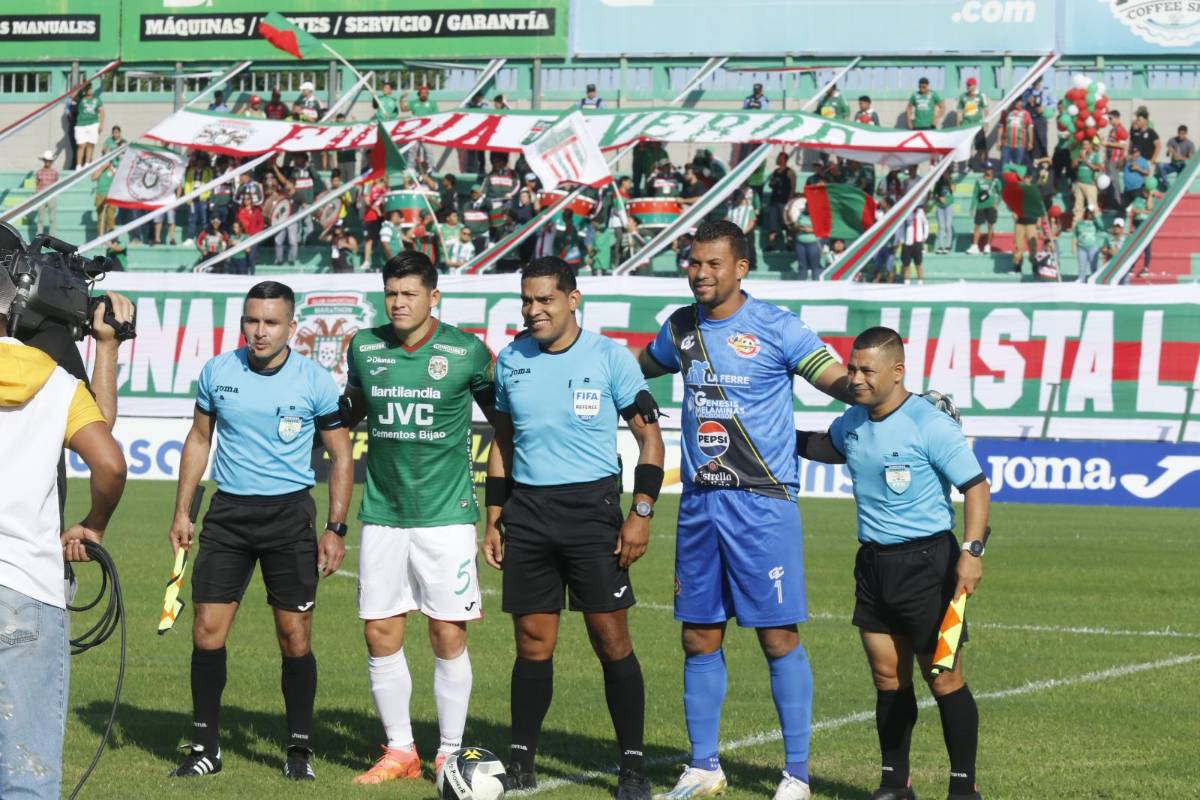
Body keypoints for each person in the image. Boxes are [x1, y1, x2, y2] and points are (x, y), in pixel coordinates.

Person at [638, 220, 853, 800]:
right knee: (698, 636)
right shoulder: (680, 327)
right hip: (701, 502)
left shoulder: (778, 328)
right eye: (693, 263)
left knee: (778, 637)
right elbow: (638, 369)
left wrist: (879, 395)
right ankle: (704, 766)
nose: (700, 274)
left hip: (762, 503)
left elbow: (838, 381)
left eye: (712, 264)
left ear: (741, 268)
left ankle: (797, 776)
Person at [484, 257, 664, 800]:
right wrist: (494, 518)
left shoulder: (611, 358)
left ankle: (632, 767)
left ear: (572, 299)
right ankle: (521, 762)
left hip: (592, 512)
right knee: (532, 643)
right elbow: (504, 443)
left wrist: (641, 512)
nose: (534, 310)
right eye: (527, 301)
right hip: (529, 514)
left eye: (545, 300)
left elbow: (649, 441)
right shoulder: (511, 359)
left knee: (610, 640)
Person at [167, 281, 353, 781]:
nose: (259, 331)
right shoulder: (218, 372)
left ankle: (298, 751)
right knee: (207, 631)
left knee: (294, 636)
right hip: (228, 514)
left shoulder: (313, 380)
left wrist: (335, 527)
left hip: (289, 518)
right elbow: (199, 438)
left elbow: (341, 455)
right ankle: (205, 746)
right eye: (252, 320)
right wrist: (182, 510)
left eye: (271, 322)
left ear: (292, 327)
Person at [796, 326, 990, 800]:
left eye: (866, 370)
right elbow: (830, 447)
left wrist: (972, 552)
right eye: (852, 368)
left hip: (929, 564)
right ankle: (894, 783)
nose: (855, 378)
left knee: (943, 678)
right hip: (874, 565)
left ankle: (964, 787)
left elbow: (976, 487)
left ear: (897, 372)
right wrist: (777, 432)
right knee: (887, 677)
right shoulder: (855, 418)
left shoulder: (928, 422)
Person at [336, 253, 497, 783]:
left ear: (434, 297)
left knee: (447, 632)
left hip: (446, 517)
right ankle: (400, 751)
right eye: (391, 293)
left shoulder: (467, 352)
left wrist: (500, 509)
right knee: (380, 630)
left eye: (409, 293)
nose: (399, 302)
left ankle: (449, 751)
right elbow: (348, 413)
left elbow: (507, 426)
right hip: (382, 514)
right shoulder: (364, 346)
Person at [0, 281, 129, 799]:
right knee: (27, 775)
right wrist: (93, 525)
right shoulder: (55, 382)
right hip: (27, 584)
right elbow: (110, 463)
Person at [966, 164, 1000, 255]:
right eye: (987, 169)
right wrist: (972, 207)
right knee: (977, 226)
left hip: (991, 206)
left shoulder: (996, 181)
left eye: (990, 169)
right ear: (984, 170)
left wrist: (997, 203)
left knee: (990, 226)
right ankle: (975, 246)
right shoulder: (979, 180)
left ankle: (988, 245)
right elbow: (975, 194)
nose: (988, 171)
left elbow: (1000, 193)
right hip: (980, 206)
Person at [765, 152, 796, 251]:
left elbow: (793, 188)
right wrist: (772, 183)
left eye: (779, 157)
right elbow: (770, 185)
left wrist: (789, 202)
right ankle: (771, 245)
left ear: (784, 159)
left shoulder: (790, 172)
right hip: (774, 201)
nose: (777, 159)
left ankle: (790, 244)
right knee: (772, 225)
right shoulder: (775, 172)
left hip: (784, 203)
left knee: (787, 225)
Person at [957, 78, 988, 172]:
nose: (968, 87)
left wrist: (986, 123)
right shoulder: (963, 96)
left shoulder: (981, 95)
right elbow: (959, 111)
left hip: (978, 124)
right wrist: (958, 125)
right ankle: (969, 166)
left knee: (981, 147)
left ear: (975, 85)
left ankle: (984, 166)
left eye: (970, 85)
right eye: (967, 85)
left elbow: (986, 109)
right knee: (967, 146)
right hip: (966, 125)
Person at [1071, 139, 1102, 225]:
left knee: (1093, 207)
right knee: (1078, 207)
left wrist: (1085, 160)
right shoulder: (1080, 154)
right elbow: (1073, 166)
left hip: (1090, 184)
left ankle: (1099, 225)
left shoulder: (1095, 155)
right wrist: (1078, 158)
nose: (1084, 147)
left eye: (1086, 145)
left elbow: (1097, 168)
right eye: (1083, 145)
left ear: (1090, 145)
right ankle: (1075, 226)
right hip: (1079, 183)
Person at [74, 83, 104, 168]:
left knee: (90, 144)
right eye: (87, 89)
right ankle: (79, 165)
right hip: (81, 124)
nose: (89, 90)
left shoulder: (96, 98)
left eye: (90, 88)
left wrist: (101, 125)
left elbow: (102, 112)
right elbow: (72, 96)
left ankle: (87, 163)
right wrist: (79, 88)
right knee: (81, 145)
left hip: (93, 123)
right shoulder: (81, 98)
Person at [1072, 206, 1104, 283]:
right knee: (1082, 266)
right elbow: (1075, 235)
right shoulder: (1080, 223)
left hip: (1092, 247)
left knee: (1093, 266)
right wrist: (1073, 246)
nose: (1090, 214)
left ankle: (1094, 280)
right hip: (1081, 248)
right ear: (1086, 213)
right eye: (1089, 213)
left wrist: (1096, 216)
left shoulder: (1095, 223)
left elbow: (1102, 226)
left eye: (1091, 213)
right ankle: (1081, 279)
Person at [999, 100, 1032, 171]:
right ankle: (1004, 180)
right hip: (1006, 144)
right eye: (1017, 102)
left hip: (1019, 145)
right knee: (1004, 165)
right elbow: (1001, 127)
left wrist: (1030, 142)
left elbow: (1030, 127)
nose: (1020, 104)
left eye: (1021, 102)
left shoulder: (1026, 113)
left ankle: (1017, 181)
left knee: (1018, 166)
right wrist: (998, 141)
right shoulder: (1005, 112)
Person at [899, 205, 929, 284]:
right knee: (906, 265)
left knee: (918, 264)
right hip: (907, 241)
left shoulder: (920, 212)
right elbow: (901, 226)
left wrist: (925, 235)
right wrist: (901, 239)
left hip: (918, 241)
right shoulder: (906, 212)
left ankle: (920, 284)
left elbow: (925, 223)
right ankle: (906, 284)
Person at [35, 150, 59, 237]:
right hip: (41, 196)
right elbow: (37, 185)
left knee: (52, 218)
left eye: (49, 161)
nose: (48, 162)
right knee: (40, 218)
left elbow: (56, 184)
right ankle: (39, 235)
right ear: (44, 161)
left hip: (51, 196)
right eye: (46, 160)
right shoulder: (39, 172)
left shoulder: (54, 172)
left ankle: (52, 236)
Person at [932, 174, 956, 255]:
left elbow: (953, 190)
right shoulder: (938, 183)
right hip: (940, 206)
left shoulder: (951, 181)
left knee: (948, 225)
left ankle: (948, 246)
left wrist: (948, 181)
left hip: (949, 205)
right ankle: (941, 246)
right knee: (941, 226)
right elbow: (934, 195)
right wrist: (938, 198)